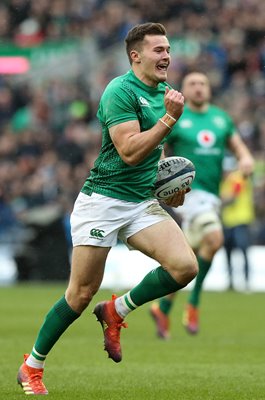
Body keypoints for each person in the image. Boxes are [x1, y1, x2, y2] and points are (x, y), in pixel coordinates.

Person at [17, 23, 199, 395]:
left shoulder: (164, 93)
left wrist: (169, 189)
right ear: (136, 56)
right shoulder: (119, 91)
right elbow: (130, 151)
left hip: (141, 202)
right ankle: (31, 366)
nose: (167, 56)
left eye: (168, 49)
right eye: (158, 50)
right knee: (81, 294)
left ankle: (117, 310)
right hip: (102, 201)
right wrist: (169, 119)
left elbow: (153, 155)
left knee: (185, 267)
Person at [150, 71, 254, 339]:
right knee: (215, 237)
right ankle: (194, 304)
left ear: (209, 88)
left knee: (186, 263)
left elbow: (237, 146)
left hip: (212, 196)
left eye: (203, 84)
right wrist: (163, 176)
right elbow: (159, 144)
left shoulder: (220, 118)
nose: (198, 88)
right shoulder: (176, 116)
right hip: (187, 195)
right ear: (183, 90)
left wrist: (244, 159)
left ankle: (162, 307)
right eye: (192, 84)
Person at [220, 158, 255, 292]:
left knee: (241, 250)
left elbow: (232, 198)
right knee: (232, 251)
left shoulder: (236, 178)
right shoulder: (229, 180)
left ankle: (243, 281)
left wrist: (219, 201)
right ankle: (233, 282)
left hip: (240, 219)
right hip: (230, 220)